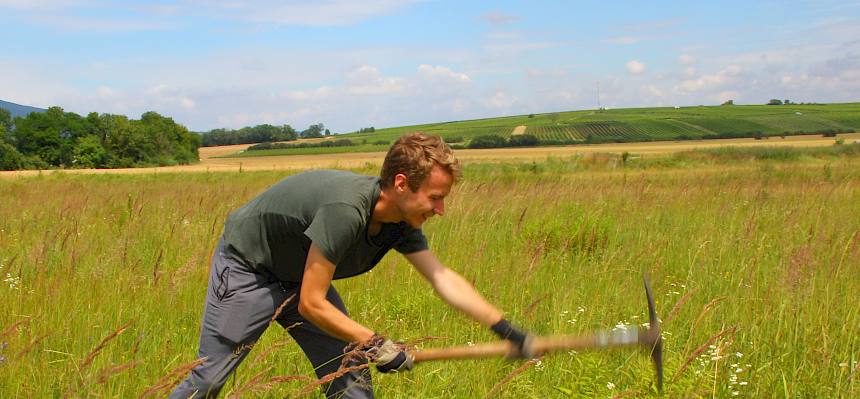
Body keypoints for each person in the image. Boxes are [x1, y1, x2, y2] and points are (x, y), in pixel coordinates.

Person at [171, 132, 532, 398]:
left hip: (302, 273)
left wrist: (504, 328)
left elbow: (442, 278)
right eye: (435, 198)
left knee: (351, 379)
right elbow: (312, 304)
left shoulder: (401, 222)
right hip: (249, 269)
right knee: (207, 381)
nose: (441, 210)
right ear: (402, 184)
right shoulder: (345, 212)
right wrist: (376, 343)